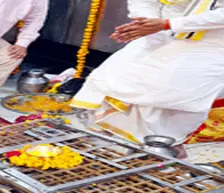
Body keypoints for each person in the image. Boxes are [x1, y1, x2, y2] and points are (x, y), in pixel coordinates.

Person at [71, 0, 224, 145]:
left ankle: (157, 148)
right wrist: (146, 23)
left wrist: (167, 24)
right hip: (164, 31)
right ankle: (111, 144)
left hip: (211, 41)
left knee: (166, 90)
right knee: (116, 72)